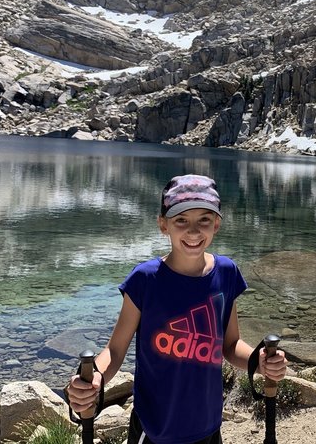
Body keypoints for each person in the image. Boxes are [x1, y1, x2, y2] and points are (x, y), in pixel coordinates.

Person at [66, 174, 288, 444]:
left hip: (208, 426)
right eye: (181, 220)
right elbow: (115, 351)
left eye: (203, 220)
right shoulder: (145, 280)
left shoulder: (227, 273)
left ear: (216, 224)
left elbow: (230, 345)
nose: (193, 231)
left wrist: (259, 360)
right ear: (163, 225)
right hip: (155, 429)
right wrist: (93, 378)